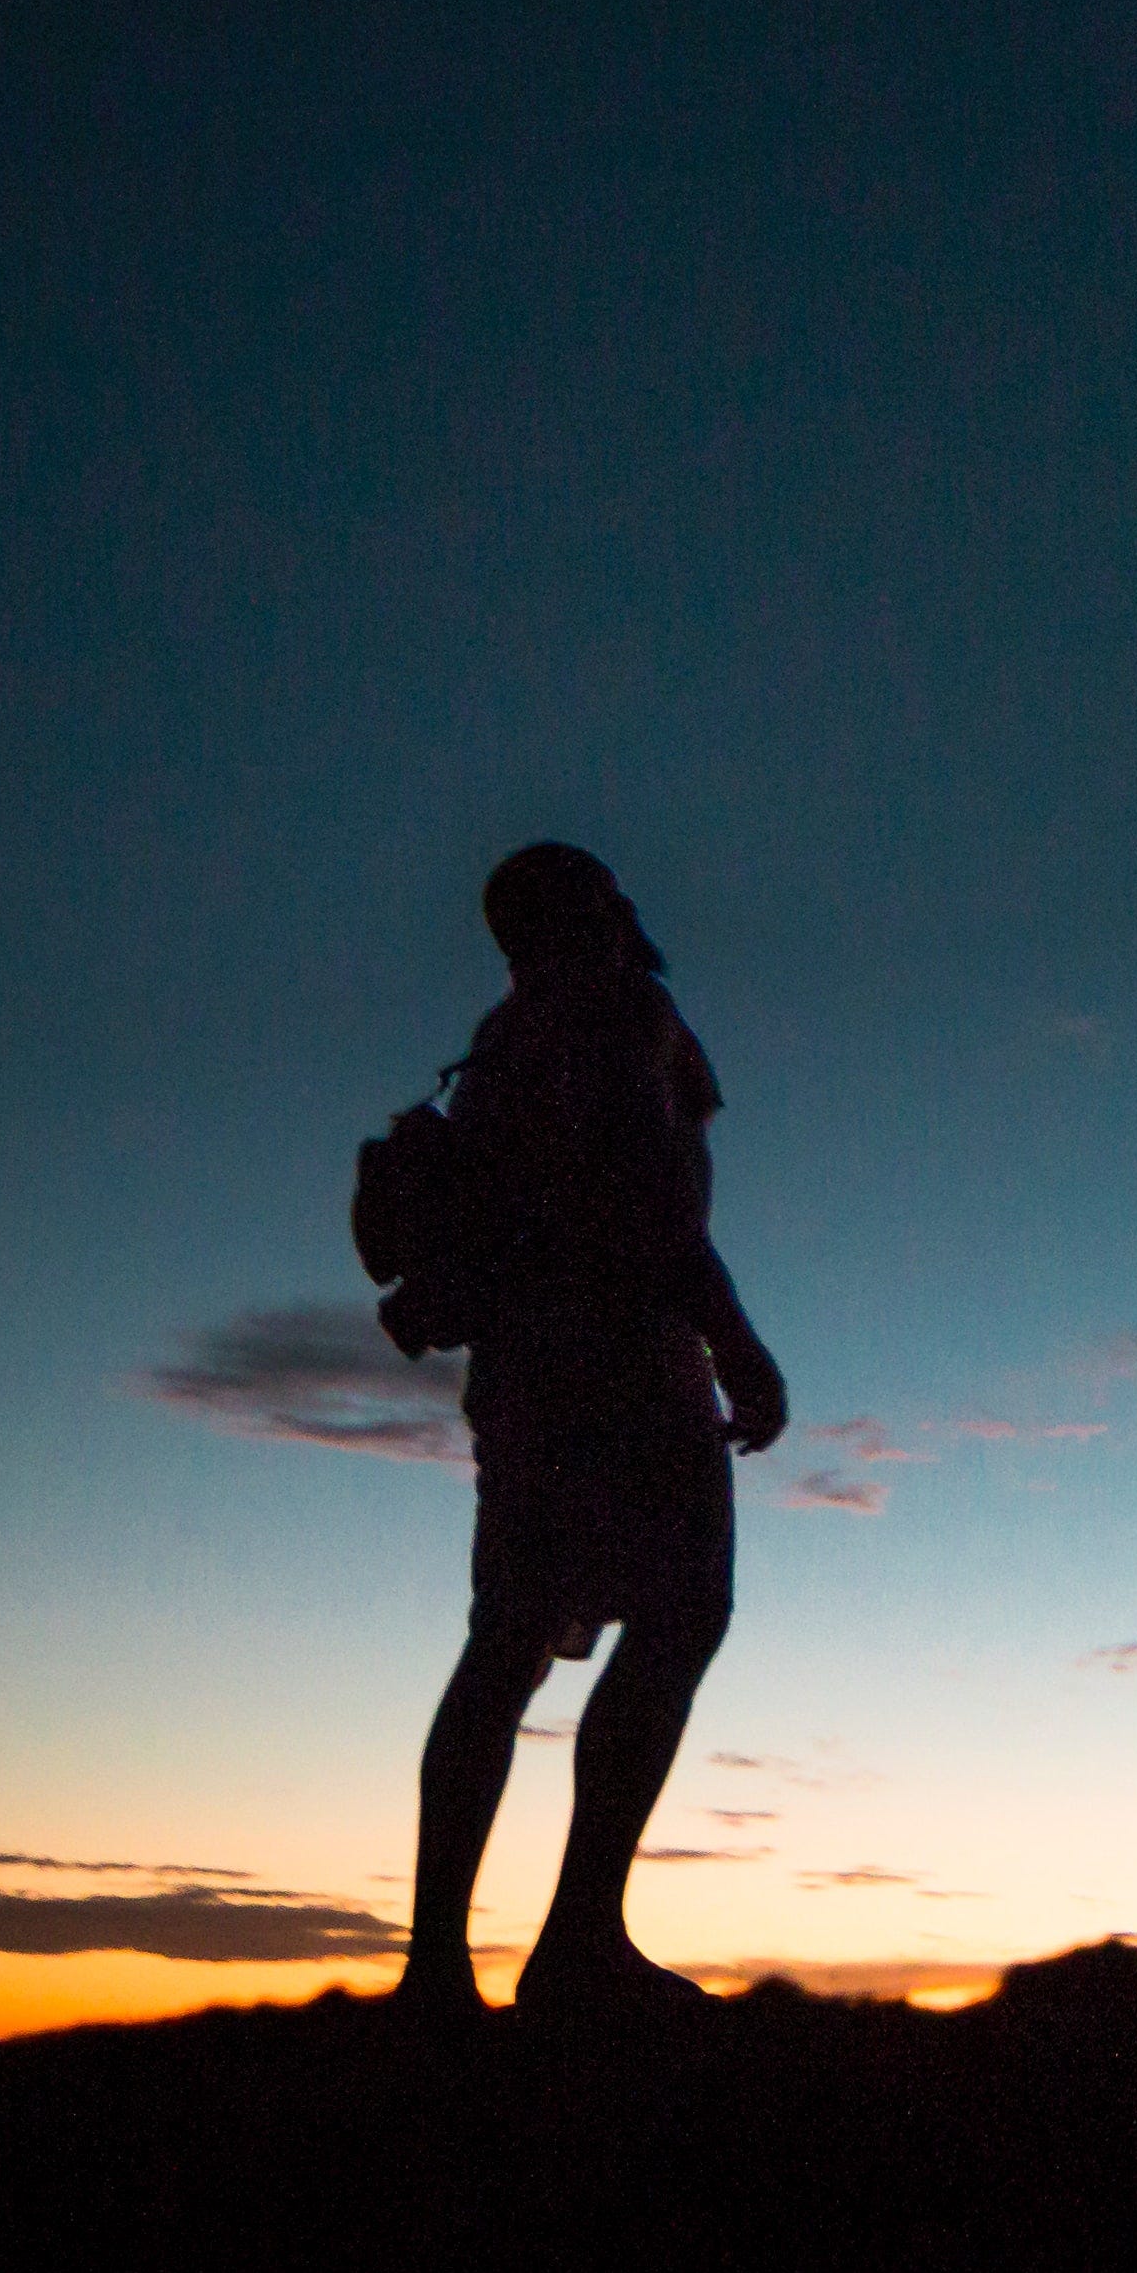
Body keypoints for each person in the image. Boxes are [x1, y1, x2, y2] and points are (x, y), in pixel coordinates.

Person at [396, 841, 791, 2021]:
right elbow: (656, 1202)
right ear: (609, 910)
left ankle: (434, 1969)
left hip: (521, 1373)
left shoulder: (504, 1036)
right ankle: (577, 1942)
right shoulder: (623, 1011)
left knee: (506, 1639)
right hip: (623, 1362)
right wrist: (737, 1344)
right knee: (680, 1613)